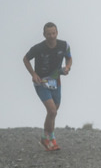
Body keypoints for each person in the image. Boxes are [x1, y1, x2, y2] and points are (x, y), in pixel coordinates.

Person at [23, 22, 73, 151]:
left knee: (53, 113)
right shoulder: (38, 48)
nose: (51, 36)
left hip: (56, 81)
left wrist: (67, 67)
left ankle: (46, 137)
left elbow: (69, 58)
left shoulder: (64, 45)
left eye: (53, 33)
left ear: (57, 33)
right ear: (44, 34)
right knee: (52, 111)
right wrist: (33, 74)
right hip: (41, 82)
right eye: (48, 34)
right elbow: (25, 59)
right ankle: (50, 137)